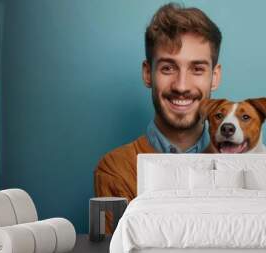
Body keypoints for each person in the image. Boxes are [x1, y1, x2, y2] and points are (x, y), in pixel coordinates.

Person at [94, 3, 222, 232]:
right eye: (168, 68)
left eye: (197, 69)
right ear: (147, 73)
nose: (182, 86)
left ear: (214, 77)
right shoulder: (115, 169)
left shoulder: (240, 163)